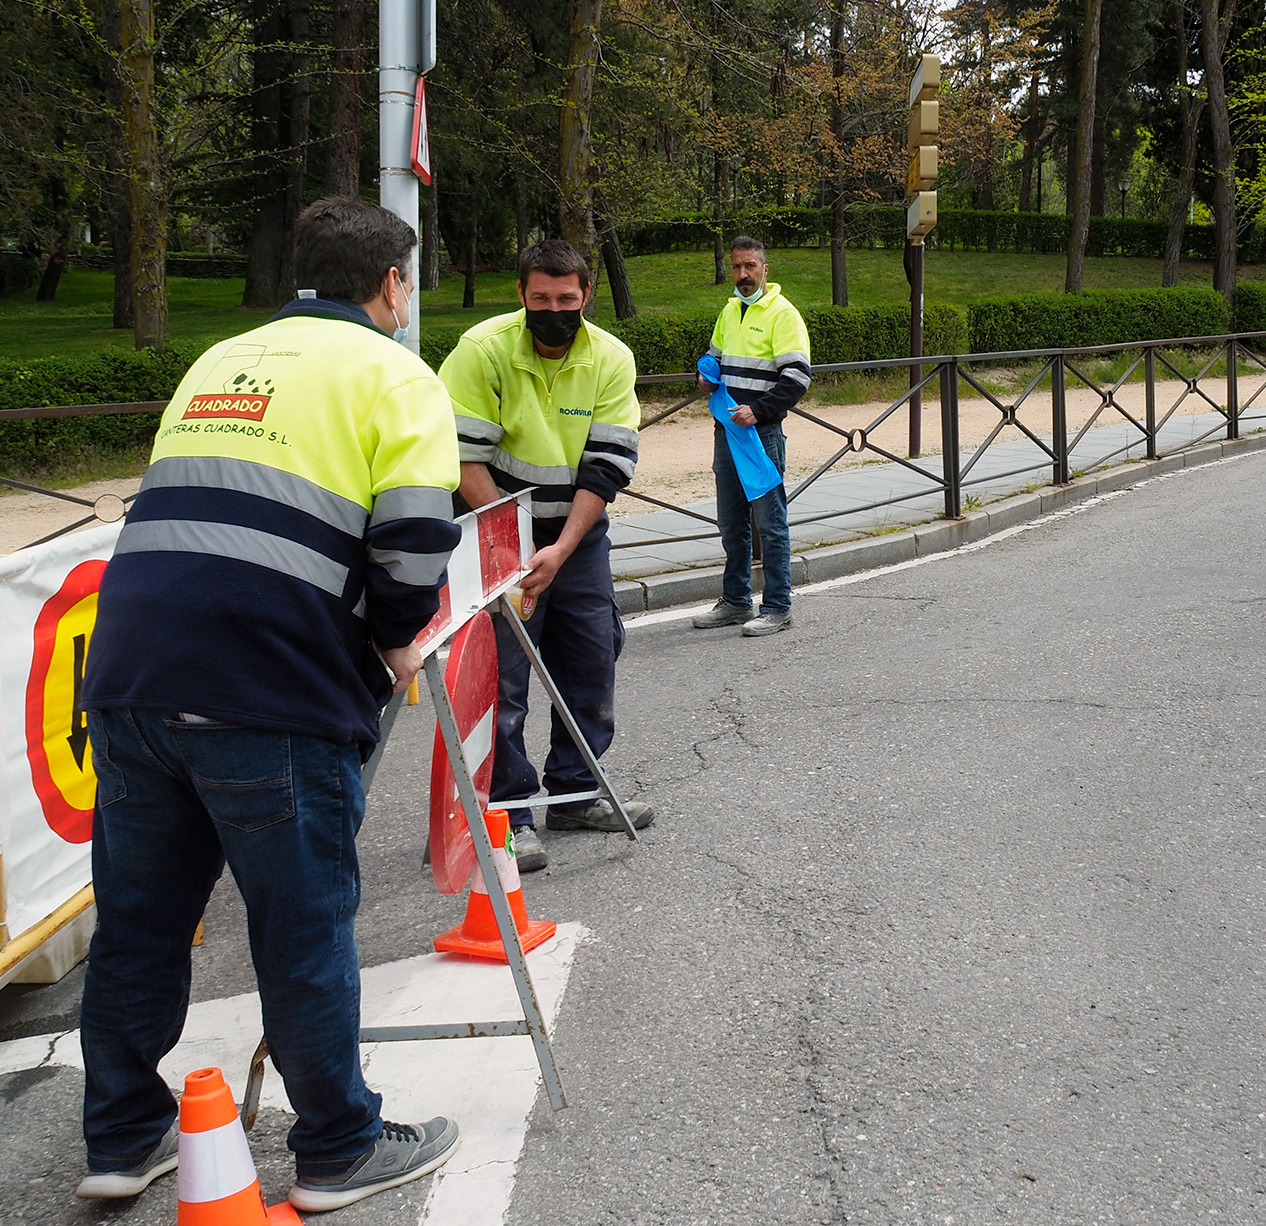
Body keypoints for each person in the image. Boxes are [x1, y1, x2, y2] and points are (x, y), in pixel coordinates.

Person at [77, 196, 462, 1212]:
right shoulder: (396, 374)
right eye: (406, 282)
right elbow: (416, 544)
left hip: (131, 677)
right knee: (302, 927)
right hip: (272, 687)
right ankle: (339, 1142)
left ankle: (122, 1135)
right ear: (391, 284)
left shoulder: (220, 360)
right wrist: (393, 644)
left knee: (140, 921)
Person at [439, 239, 652, 874]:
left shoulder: (610, 357)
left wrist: (561, 547)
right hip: (494, 532)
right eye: (540, 299)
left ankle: (576, 794)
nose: (554, 309)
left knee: (590, 656)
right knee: (502, 674)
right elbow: (462, 456)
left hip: (576, 538)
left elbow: (608, 465)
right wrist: (515, 545)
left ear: (587, 296)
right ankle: (508, 813)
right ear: (521, 296)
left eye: (566, 298)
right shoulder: (482, 351)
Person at [693, 236, 811, 636]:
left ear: (765, 270)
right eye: (738, 267)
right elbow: (716, 357)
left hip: (761, 434)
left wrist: (757, 411)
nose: (743, 275)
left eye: (751, 267)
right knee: (731, 523)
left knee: (770, 524)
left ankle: (778, 606)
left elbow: (797, 378)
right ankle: (736, 601)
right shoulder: (729, 310)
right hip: (727, 432)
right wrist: (707, 374)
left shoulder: (783, 314)